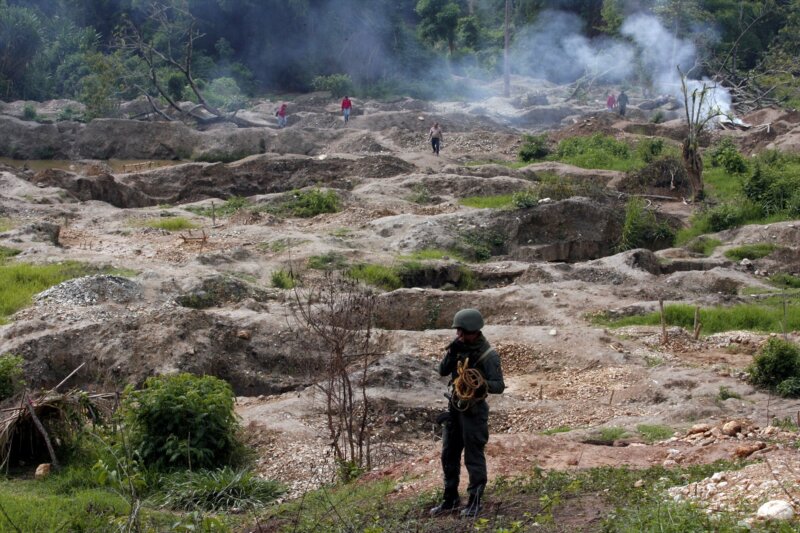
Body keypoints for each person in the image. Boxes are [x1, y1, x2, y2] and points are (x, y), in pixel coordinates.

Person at [430, 308, 505, 519]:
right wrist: (451, 354)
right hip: (455, 408)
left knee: (473, 458)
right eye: (458, 332)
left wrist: (479, 384)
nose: (459, 335)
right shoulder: (458, 349)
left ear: (474, 331)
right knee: (449, 455)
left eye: (463, 332)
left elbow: (499, 385)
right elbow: (442, 371)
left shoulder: (488, 355)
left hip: (474, 412)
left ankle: (475, 502)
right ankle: (450, 499)